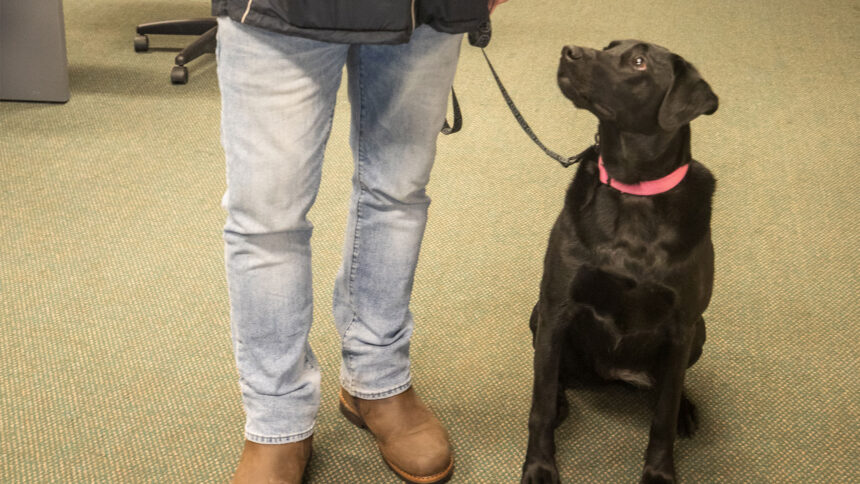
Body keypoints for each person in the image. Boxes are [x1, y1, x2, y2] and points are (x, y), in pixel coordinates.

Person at [212, 1, 509, 482]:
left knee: (397, 190)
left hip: (423, 10)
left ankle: (378, 377)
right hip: (277, 9)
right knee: (267, 216)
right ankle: (277, 417)